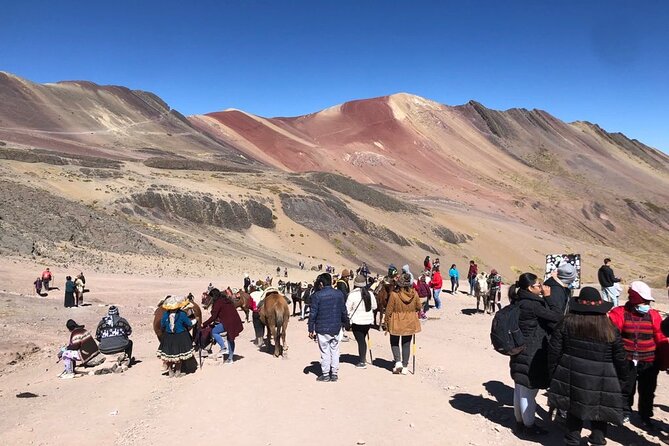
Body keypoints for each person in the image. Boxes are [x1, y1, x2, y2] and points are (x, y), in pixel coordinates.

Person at [548, 287, 627, 446]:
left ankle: (572, 440)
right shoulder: (609, 327)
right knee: (600, 410)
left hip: (572, 371)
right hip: (603, 375)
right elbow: (620, 356)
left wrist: (553, 372)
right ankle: (597, 440)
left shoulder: (567, 322)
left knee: (573, 408)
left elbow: (554, 350)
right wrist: (622, 377)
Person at [509, 272, 561, 436]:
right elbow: (558, 317)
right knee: (528, 391)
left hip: (518, 349)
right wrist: (549, 297)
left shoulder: (519, 301)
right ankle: (529, 426)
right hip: (531, 353)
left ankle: (520, 423)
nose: (541, 287)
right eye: (538, 285)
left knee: (519, 388)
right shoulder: (533, 305)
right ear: (530, 288)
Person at [608, 281, 666, 429]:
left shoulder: (653, 315)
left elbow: (660, 338)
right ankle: (624, 412)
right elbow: (613, 337)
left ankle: (645, 415)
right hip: (627, 360)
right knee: (626, 388)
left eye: (648, 301)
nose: (646, 304)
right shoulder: (619, 313)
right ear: (634, 299)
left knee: (648, 390)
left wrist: (664, 361)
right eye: (644, 301)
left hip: (650, 360)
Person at [308, 273, 349, 382]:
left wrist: (310, 328)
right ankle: (334, 373)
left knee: (325, 351)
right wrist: (346, 322)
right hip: (336, 327)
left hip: (322, 328)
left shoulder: (317, 295)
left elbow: (313, 313)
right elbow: (343, 310)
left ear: (321, 283)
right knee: (335, 350)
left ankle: (326, 374)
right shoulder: (339, 294)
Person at [384, 272, 421, 375]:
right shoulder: (414, 294)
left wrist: (386, 321)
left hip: (396, 320)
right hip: (410, 321)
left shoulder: (394, 295)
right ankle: (405, 366)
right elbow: (419, 307)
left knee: (394, 342)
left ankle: (398, 361)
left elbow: (388, 310)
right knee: (406, 344)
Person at [157, 296, 196, 377]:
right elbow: (189, 323)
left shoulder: (165, 315)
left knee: (169, 355)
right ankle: (178, 372)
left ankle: (171, 372)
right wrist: (196, 320)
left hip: (168, 336)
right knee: (179, 354)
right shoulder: (182, 314)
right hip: (180, 336)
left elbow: (162, 325)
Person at [202, 288, 244, 363]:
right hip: (235, 321)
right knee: (230, 339)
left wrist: (204, 324)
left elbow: (213, 317)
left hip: (228, 322)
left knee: (214, 332)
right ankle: (230, 358)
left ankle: (223, 347)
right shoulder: (227, 300)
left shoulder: (218, 302)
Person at [346, 274, 377, 368]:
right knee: (362, 339)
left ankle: (362, 361)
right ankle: (363, 357)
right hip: (368, 321)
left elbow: (347, 309)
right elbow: (374, 307)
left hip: (357, 321)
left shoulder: (352, 295)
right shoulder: (370, 294)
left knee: (361, 340)